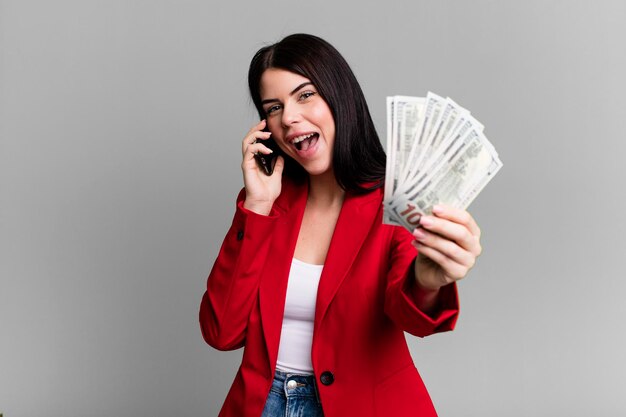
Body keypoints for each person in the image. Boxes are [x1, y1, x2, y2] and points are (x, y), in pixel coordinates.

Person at [199, 33, 482, 417]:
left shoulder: (396, 198)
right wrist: (257, 204)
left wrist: (429, 279)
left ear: (339, 96)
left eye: (305, 95)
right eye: (273, 107)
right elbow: (221, 332)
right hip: (264, 405)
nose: (290, 118)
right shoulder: (266, 204)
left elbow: (411, 314)